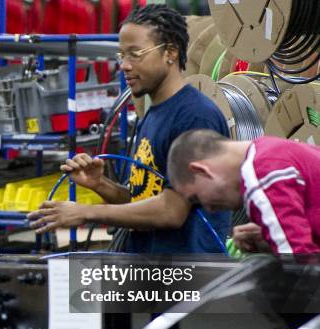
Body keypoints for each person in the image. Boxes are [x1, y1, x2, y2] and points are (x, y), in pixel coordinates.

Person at [28, 4, 231, 253]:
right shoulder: (154, 113)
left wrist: (86, 212)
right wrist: (100, 184)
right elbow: (144, 201)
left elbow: (171, 211)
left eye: (135, 54)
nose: (124, 65)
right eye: (121, 55)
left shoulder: (194, 117)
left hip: (185, 278)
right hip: (150, 273)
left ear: (170, 53)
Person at [167, 129, 320, 255]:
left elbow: (303, 270)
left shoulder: (260, 175)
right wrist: (270, 237)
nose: (209, 209)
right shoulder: (271, 149)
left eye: (196, 199)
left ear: (201, 171)